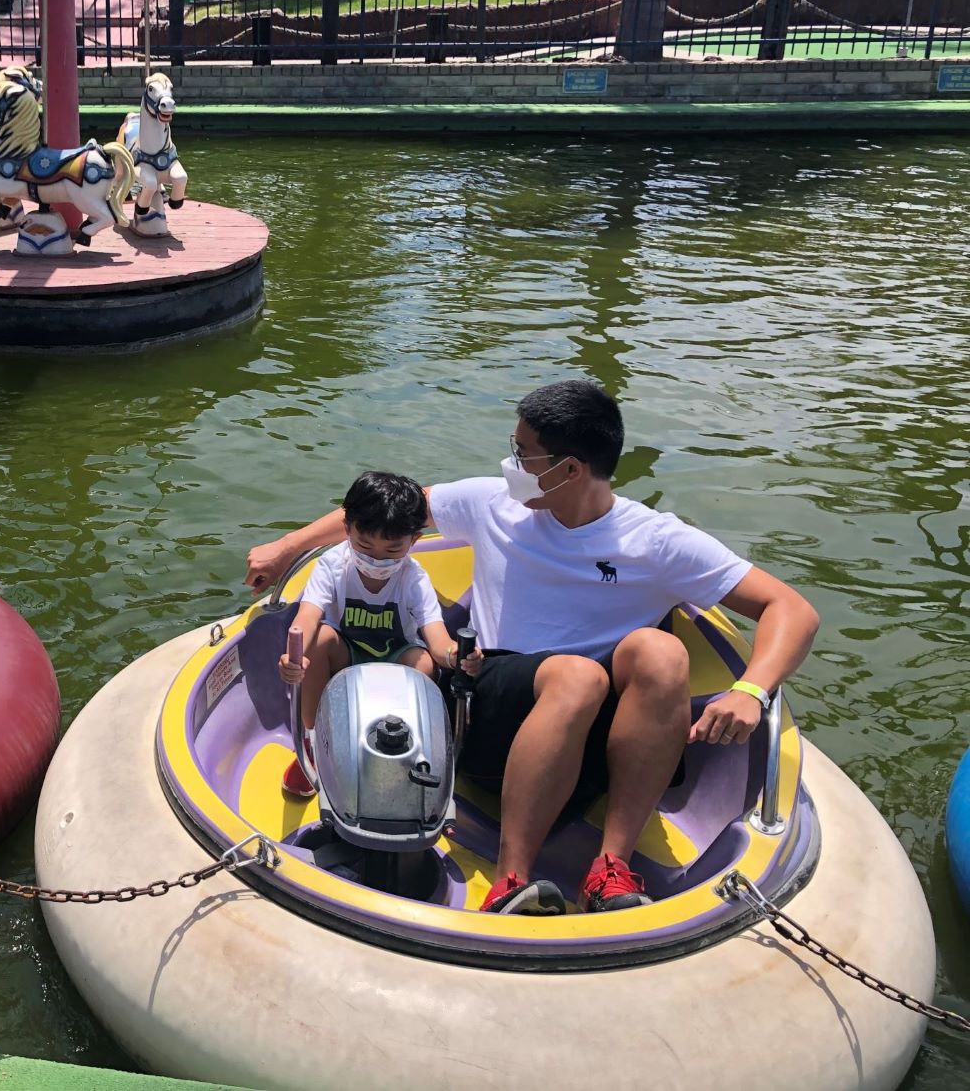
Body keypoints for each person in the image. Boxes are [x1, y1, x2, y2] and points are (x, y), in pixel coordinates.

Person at [245, 380, 819, 916]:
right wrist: (286, 547)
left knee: (661, 653)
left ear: (569, 470)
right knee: (578, 676)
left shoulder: (657, 541)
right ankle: (511, 882)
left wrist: (751, 690)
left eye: (522, 454)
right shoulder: (490, 503)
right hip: (487, 709)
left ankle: (611, 870)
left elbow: (790, 609)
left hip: (598, 737)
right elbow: (381, 512)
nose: (511, 465)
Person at [277, 470, 476, 799]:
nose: (376, 560)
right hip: (347, 655)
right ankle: (312, 741)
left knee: (424, 662)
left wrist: (457, 655)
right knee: (320, 640)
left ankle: (402, 746)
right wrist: (292, 656)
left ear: (414, 541)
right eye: (364, 546)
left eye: (392, 551)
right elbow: (306, 618)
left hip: (395, 660)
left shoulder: (413, 579)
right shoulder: (332, 565)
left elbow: (438, 639)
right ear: (347, 530)